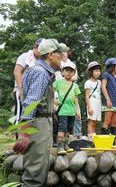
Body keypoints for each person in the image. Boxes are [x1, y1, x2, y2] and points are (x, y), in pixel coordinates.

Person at [12, 39, 68, 187]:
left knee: (36, 169)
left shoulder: (39, 71)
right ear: (50, 55)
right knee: (34, 176)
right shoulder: (41, 73)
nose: (62, 57)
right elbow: (30, 103)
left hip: (40, 122)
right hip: (38, 124)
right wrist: (24, 134)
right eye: (59, 53)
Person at [13, 38, 44, 123]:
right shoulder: (26, 56)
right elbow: (17, 71)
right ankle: (17, 135)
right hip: (21, 89)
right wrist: (21, 89)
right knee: (20, 114)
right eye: (40, 48)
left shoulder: (41, 61)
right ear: (35, 47)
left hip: (33, 91)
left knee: (29, 115)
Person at [53, 61, 81, 155]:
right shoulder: (58, 83)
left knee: (69, 129)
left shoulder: (75, 86)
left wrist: (77, 111)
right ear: (63, 72)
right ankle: (60, 146)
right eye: (67, 70)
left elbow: (76, 99)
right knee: (62, 128)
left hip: (72, 111)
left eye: (71, 71)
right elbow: (51, 91)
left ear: (74, 73)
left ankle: (66, 145)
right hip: (62, 111)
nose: (69, 72)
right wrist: (54, 99)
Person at [101, 58, 116, 144]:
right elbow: (103, 87)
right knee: (107, 121)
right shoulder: (106, 74)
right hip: (109, 102)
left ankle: (114, 140)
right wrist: (107, 99)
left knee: (114, 122)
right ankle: (105, 141)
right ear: (111, 66)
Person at [85, 61, 102, 140]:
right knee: (91, 121)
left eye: (99, 71)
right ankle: (90, 140)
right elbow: (87, 96)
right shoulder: (88, 82)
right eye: (96, 71)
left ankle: (93, 138)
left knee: (95, 122)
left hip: (98, 103)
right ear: (91, 72)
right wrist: (89, 107)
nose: (98, 73)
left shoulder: (99, 82)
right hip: (91, 103)